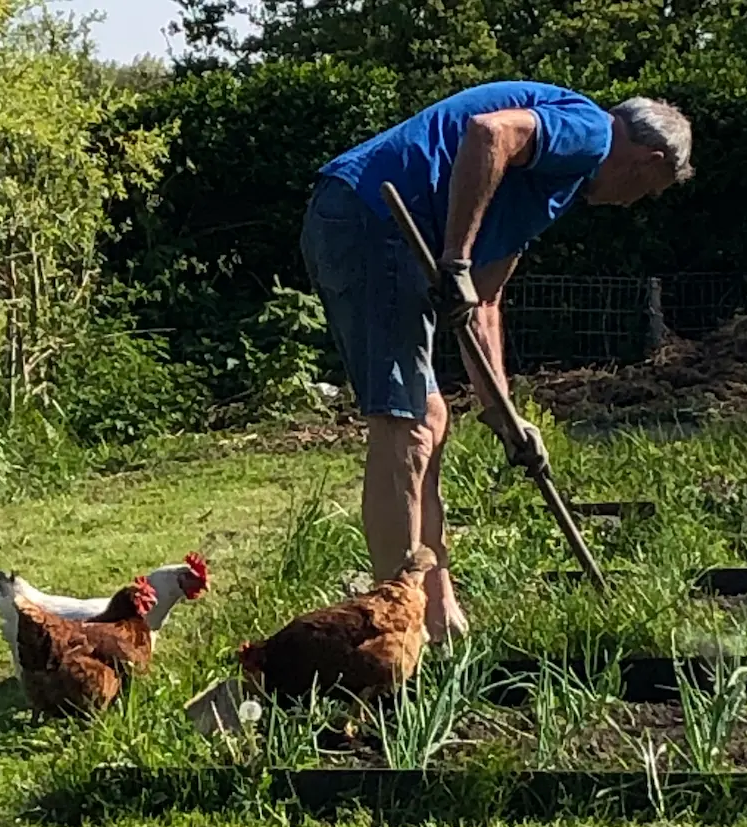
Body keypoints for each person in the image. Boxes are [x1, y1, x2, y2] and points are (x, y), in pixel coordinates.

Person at [297, 81, 694, 643]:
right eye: (649, 189)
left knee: (431, 421)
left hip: (370, 223)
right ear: (648, 162)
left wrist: (506, 416)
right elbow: (491, 132)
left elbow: (482, 305)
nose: (634, 202)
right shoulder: (590, 134)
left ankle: (438, 614)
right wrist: (456, 257)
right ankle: (392, 626)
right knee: (404, 428)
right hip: (371, 218)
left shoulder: (555, 184)